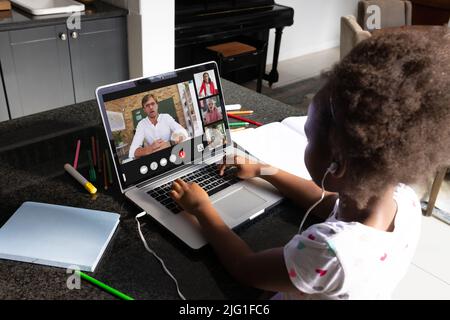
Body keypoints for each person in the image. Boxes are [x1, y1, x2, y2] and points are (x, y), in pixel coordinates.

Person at [168, 28, 450, 299]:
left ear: (335, 167)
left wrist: (202, 209)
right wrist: (264, 170)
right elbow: (329, 201)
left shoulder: (330, 252)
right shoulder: (402, 198)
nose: (307, 142)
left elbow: (247, 269)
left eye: (309, 138)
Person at [129, 94, 188, 159]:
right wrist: (151, 148)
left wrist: (170, 143)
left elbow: (183, 132)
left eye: (153, 104)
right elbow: (133, 152)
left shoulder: (166, 117)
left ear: (157, 105)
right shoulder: (141, 124)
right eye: (147, 105)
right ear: (144, 110)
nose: (151, 107)